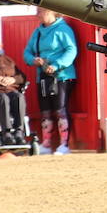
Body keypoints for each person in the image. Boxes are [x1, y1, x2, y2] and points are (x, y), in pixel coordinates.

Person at [24, 10, 77, 155]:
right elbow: (27, 52)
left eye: (41, 12)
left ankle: (64, 145)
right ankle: (46, 144)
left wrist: (57, 64)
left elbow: (71, 50)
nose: (38, 15)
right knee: (45, 111)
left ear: (53, 13)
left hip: (62, 76)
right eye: (37, 12)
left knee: (60, 109)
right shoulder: (38, 32)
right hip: (42, 77)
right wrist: (33, 60)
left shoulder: (63, 30)